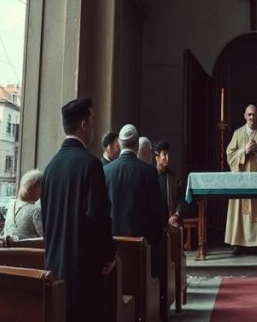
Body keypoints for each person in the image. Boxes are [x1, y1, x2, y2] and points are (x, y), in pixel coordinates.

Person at [41, 98, 116, 322]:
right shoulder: (90, 164)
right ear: (83, 125)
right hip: (84, 268)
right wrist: (108, 255)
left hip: (55, 266)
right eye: (92, 120)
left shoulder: (50, 167)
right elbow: (98, 217)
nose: (94, 126)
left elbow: (46, 219)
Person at [104, 125, 167, 305]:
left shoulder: (106, 171)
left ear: (121, 144)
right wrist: (156, 238)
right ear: (135, 145)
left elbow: (102, 210)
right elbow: (158, 211)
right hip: (143, 243)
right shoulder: (148, 172)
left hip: (114, 243)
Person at [225, 104, 257, 255]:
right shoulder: (238, 133)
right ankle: (238, 243)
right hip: (242, 180)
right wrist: (245, 151)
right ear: (244, 116)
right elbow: (230, 155)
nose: (251, 118)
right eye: (249, 115)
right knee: (240, 209)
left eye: (254, 114)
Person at [4, 169, 44, 240]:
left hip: (10, 250)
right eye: (42, 187)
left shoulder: (11, 206)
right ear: (33, 188)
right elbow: (46, 239)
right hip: (29, 250)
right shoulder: (35, 211)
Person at [154, 140, 185, 226]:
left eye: (168, 154)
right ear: (157, 157)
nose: (167, 158)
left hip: (170, 220)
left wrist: (176, 214)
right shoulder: (150, 175)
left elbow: (180, 199)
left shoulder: (173, 178)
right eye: (164, 154)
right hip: (154, 221)